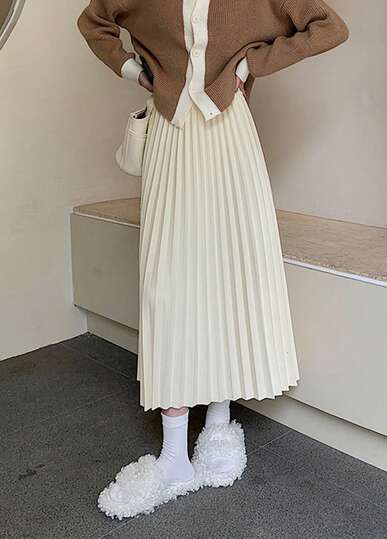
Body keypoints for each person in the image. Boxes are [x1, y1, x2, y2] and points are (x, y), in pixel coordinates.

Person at [77, 0, 349, 520]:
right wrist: (136, 70)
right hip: (170, 135)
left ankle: (219, 425)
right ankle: (173, 456)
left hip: (231, 134)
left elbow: (329, 27)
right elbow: (93, 22)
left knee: (230, 272)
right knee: (168, 282)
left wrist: (249, 65)